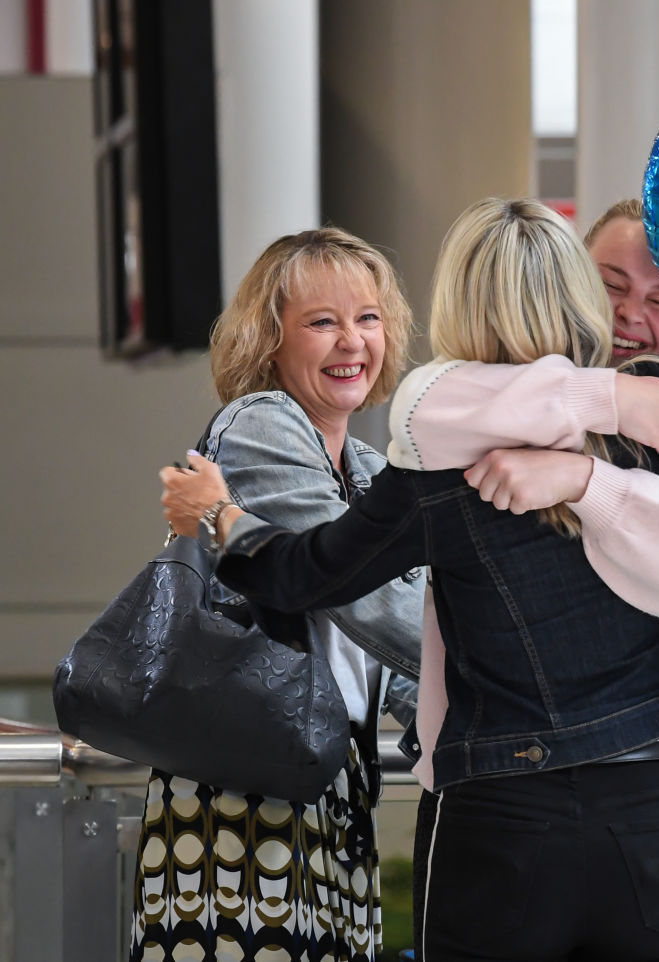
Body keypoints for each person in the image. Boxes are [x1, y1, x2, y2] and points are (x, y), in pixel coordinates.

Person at [160, 197, 659, 962]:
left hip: (498, 818)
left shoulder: (433, 460)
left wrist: (224, 520)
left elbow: (305, 575)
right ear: (582, 297)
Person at [394, 197, 659, 962]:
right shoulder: (494, 395)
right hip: (491, 795)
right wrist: (604, 399)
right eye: (609, 284)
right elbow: (417, 405)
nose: (628, 316)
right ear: (568, 281)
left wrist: (584, 479)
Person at [129, 228, 425, 962]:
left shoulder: (364, 463)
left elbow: (406, 647)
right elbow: (367, 600)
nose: (351, 341)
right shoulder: (262, 424)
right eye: (322, 322)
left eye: (368, 317)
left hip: (332, 792)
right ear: (270, 341)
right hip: (244, 807)